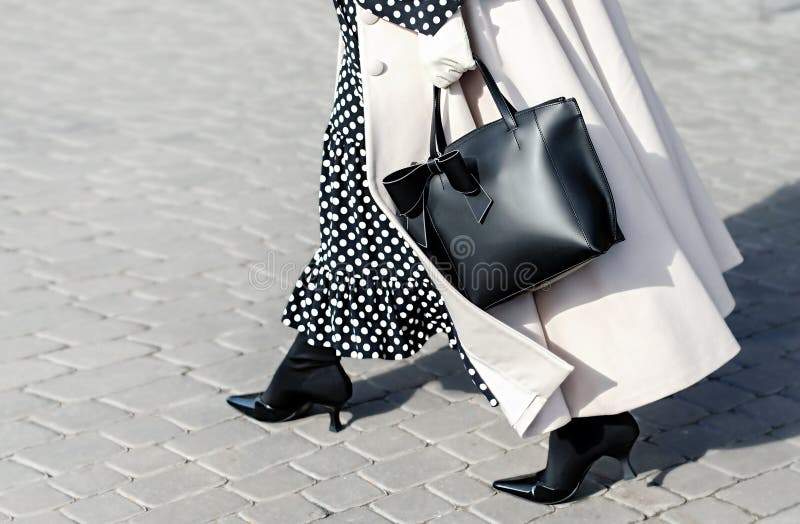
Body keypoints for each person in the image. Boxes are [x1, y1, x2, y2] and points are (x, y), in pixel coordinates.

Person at [228, 0, 743, 505]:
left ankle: (594, 420)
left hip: (450, 24)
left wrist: (433, 19)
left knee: (508, 220)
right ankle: (310, 363)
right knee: (396, 206)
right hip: (445, 23)